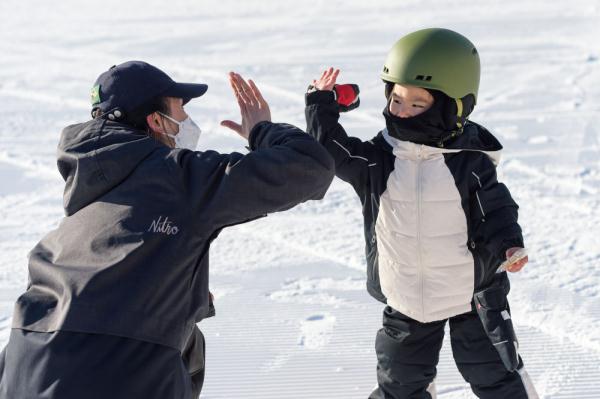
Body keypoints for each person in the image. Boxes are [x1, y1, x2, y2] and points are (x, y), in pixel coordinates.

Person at [0, 60, 334, 398]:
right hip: (107, 374)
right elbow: (309, 168)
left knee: (188, 340)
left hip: (22, 371)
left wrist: (183, 293)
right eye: (180, 108)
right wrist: (262, 130)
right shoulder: (176, 177)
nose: (187, 120)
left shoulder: (84, 198)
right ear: (156, 120)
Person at [305, 28, 538, 398]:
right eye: (397, 100)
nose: (403, 111)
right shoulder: (378, 160)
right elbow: (329, 151)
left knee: (495, 376)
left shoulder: (469, 164)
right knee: (399, 384)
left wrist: (509, 245)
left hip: (472, 295)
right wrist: (321, 105)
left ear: (453, 107)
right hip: (407, 298)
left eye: (418, 104)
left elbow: (496, 210)